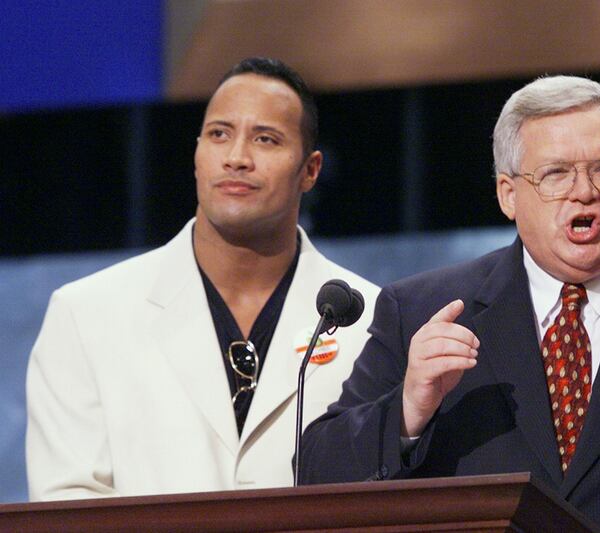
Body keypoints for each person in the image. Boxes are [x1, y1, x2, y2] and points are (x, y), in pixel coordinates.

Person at [299, 75, 600, 531]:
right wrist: (408, 409)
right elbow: (318, 475)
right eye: (556, 174)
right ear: (508, 194)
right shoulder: (420, 309)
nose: (584, 192)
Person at [26, 57, 379, 500]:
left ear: (310, 170)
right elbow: (67, 502)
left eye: (265, 139)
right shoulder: (86, 315)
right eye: (219, 134)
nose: (237, 158)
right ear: (196, 153)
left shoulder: (372, 322)